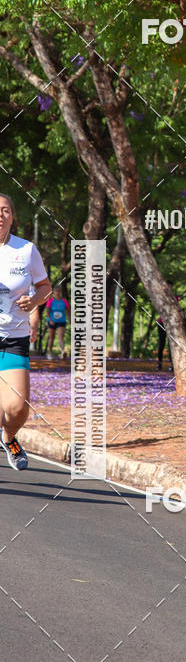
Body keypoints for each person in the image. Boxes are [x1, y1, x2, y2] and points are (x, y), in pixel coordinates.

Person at [0, 193, 52, 470]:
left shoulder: (26, 250)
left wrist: (34, 300)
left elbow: (45, 286)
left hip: (13, 337)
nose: (0, 214)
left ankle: (8, 438)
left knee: (18, 409)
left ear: (12, 216)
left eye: (5, 210)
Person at [45, 285, 70, 359]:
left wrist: (70, 319)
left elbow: (68, 310)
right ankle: (49, 353)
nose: (57, 292)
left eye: (59, 291)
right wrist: (50, 320)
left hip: (61, 321)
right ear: (53, 292)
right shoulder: (50, 301)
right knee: (51, 337)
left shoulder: (64, 301)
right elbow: (47, 311)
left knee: (60, 336)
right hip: (52, 321)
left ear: (60, 292)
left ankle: (63, 352)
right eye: (56, 291)